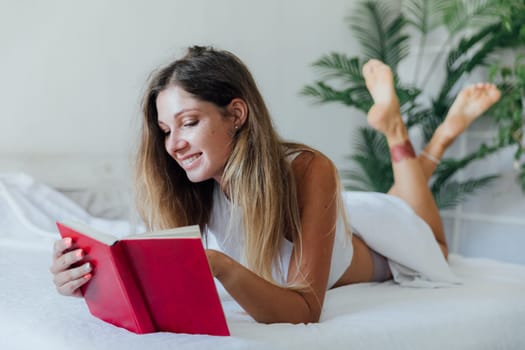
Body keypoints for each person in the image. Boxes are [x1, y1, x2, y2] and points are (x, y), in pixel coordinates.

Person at [50, 46, 501, 324]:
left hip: (375, 236)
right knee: (398, 199)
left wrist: (219, 265)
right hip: (343, 217)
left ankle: (406, 132)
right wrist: (84, 277)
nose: (174, 144)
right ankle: (420, 133)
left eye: (188, 123)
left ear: (236, 114)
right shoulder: (187, 187)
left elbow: (305, 310)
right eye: (166, 130)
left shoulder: (308, 170)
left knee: (434, 245)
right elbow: (149, 281)